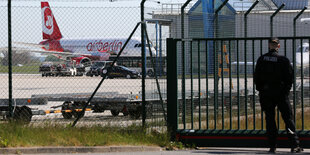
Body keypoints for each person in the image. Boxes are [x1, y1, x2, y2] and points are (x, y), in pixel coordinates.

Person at [254, 37, 303, 153]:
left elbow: (257, 77)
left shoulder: (262, 59)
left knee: (270, 120)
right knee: (288, 119)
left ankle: (272, 146)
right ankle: (294, 145)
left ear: (269, 45)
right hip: (280, 94)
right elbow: (290, 78)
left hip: (266, 94)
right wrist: (285, 91)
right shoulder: (283, 60)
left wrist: (262, 90)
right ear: (278, 46)